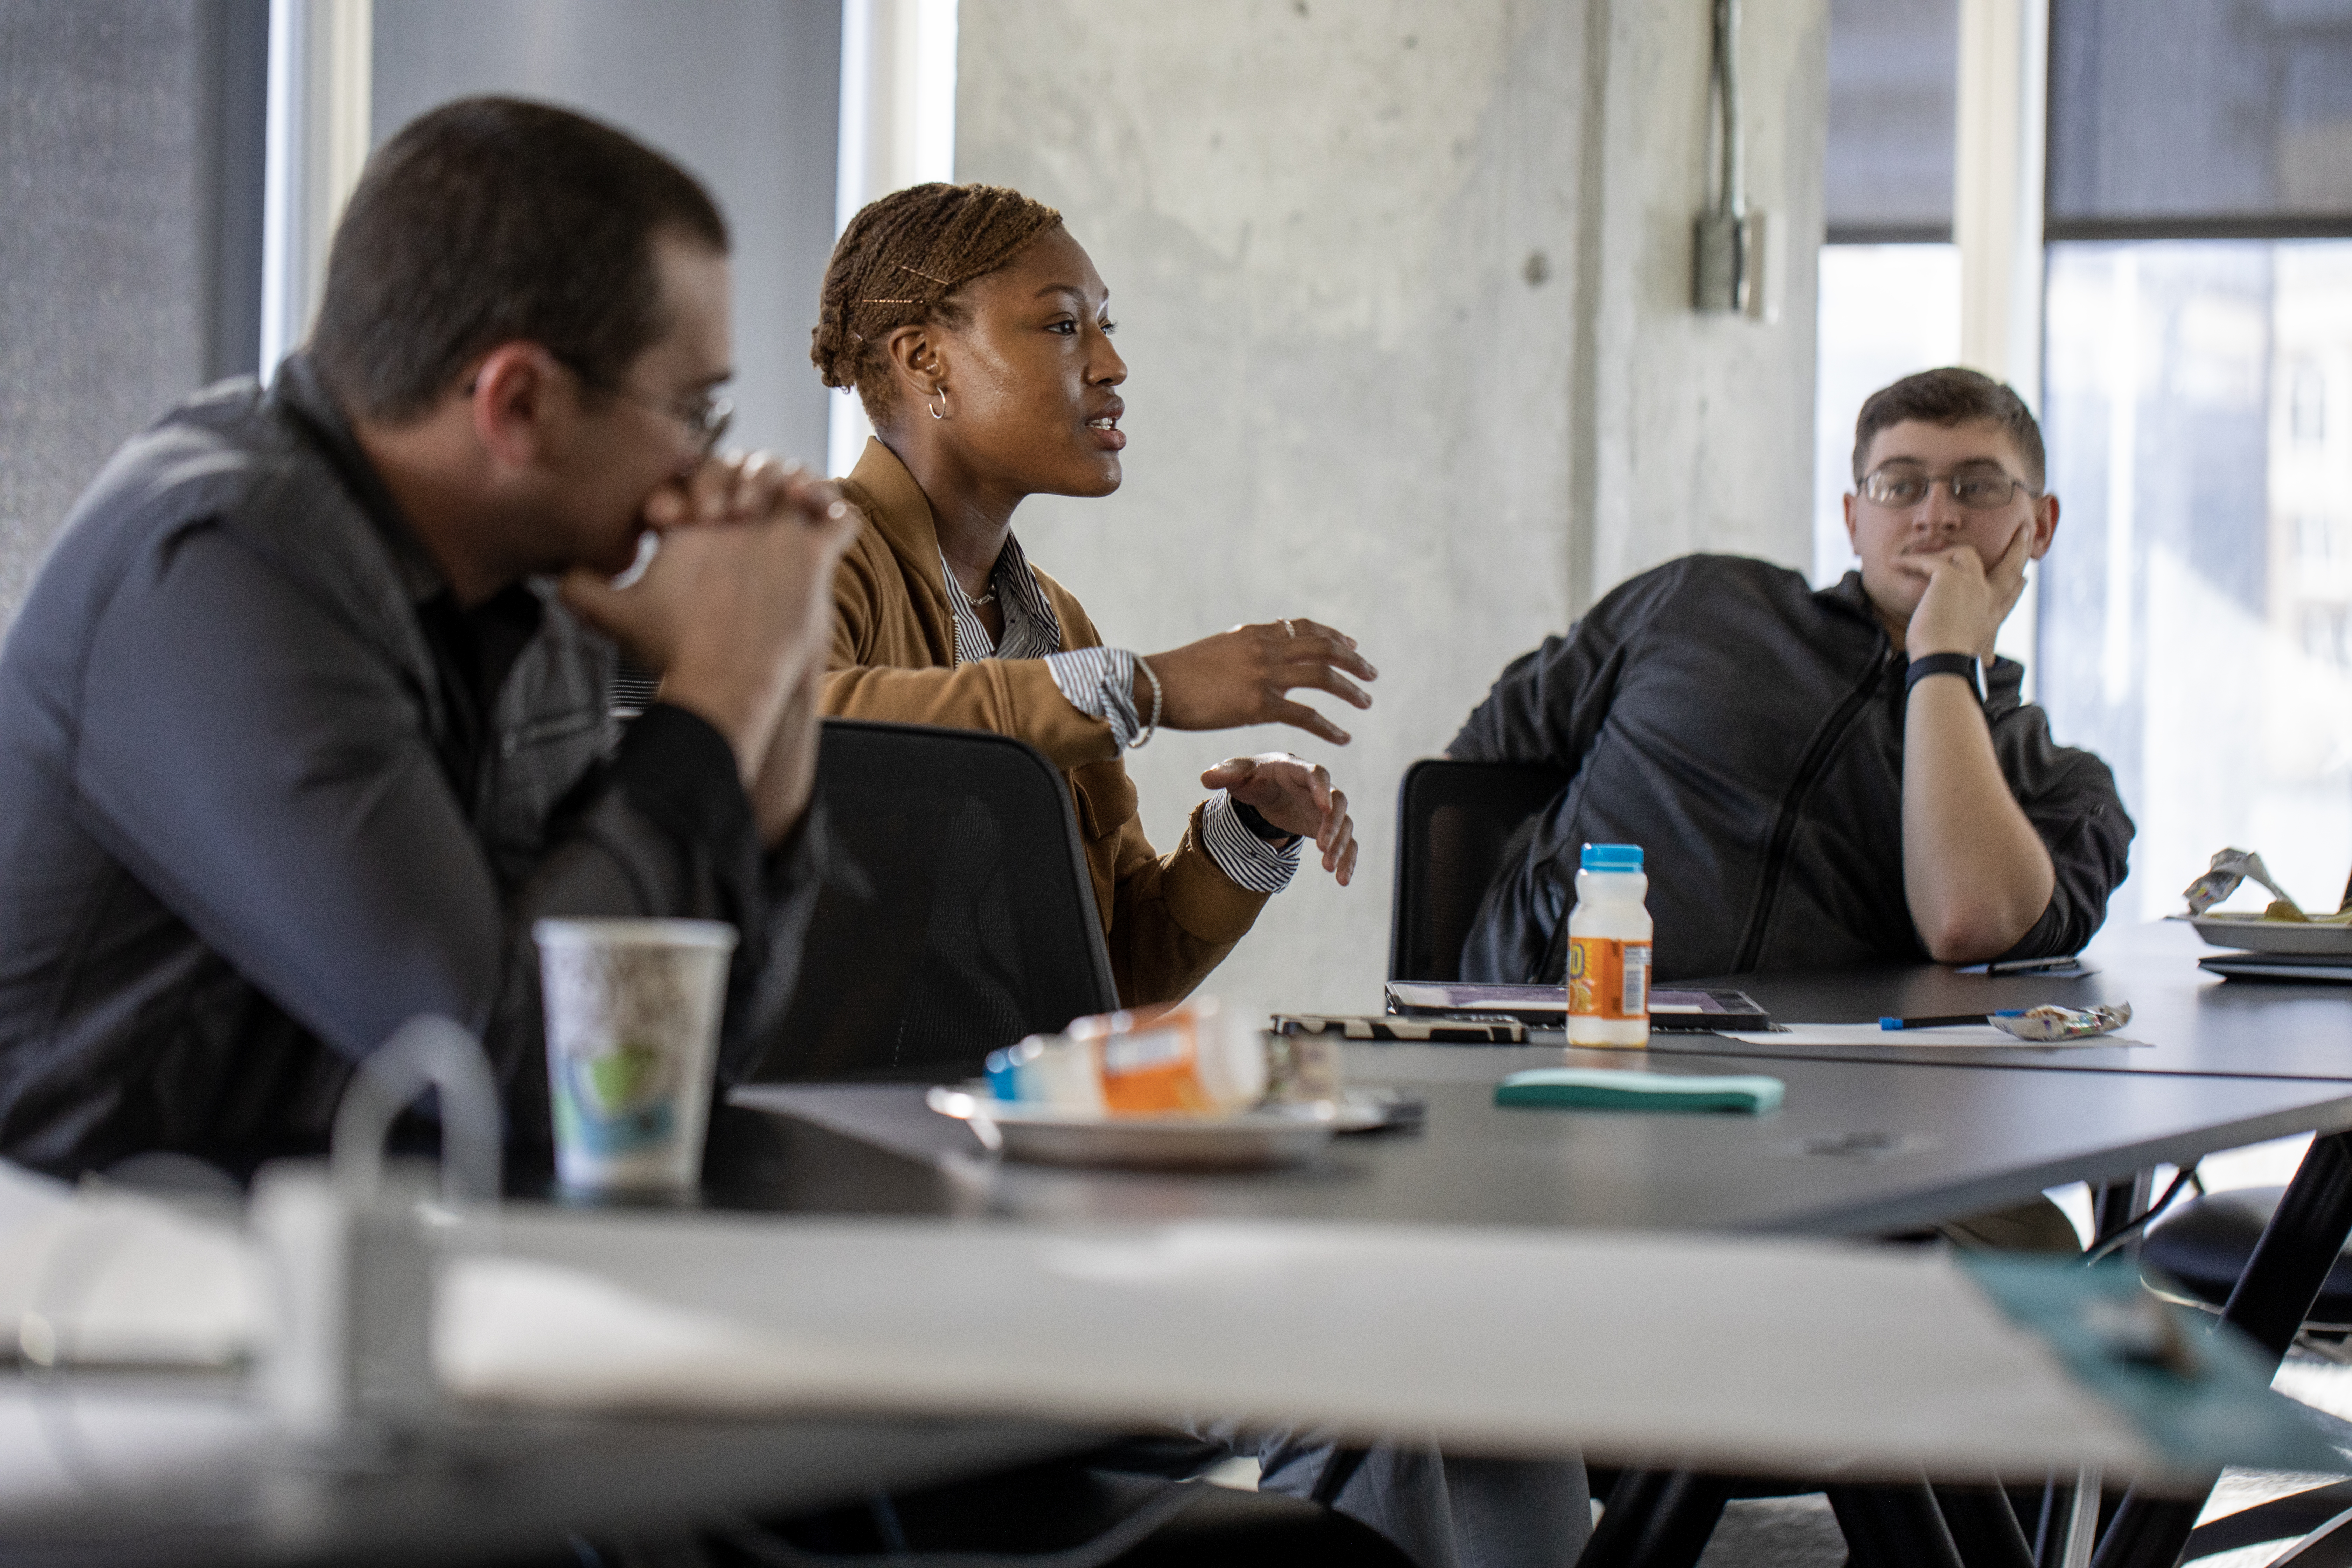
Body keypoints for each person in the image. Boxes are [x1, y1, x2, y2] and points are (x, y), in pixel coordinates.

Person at [0, 99, 854, 1177]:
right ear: (519, 405)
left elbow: (673, 1061)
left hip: (367, 1253)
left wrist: (775, 686)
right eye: (694, 414)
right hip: (100, 1290)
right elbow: (499, 1063)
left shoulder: (527, 592)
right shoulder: (222, 567)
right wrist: (723, 684)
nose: (706, 470)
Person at [806, 183, 1374, 1007]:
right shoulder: (810, 548)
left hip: (1023, 1117)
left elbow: (1112, 973)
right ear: (926, 358)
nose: (1111, 363)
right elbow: (802, 732)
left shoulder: (1055, 623)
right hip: (849, 1121)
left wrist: (1248, 831)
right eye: (1064, 325)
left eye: (1106, 325)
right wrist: (1142, 687)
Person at [1453, 368, 2133, 992]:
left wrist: (1943, 655)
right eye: (1900, 485)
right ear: (1853, 519)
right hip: (1556, 1034)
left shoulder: (2062, 787)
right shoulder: (1702, 602)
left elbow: (1966, 922)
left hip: (1826, 1095)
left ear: (2039, 526)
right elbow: (1479, 764)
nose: (1936, 514)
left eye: (1976, 486)